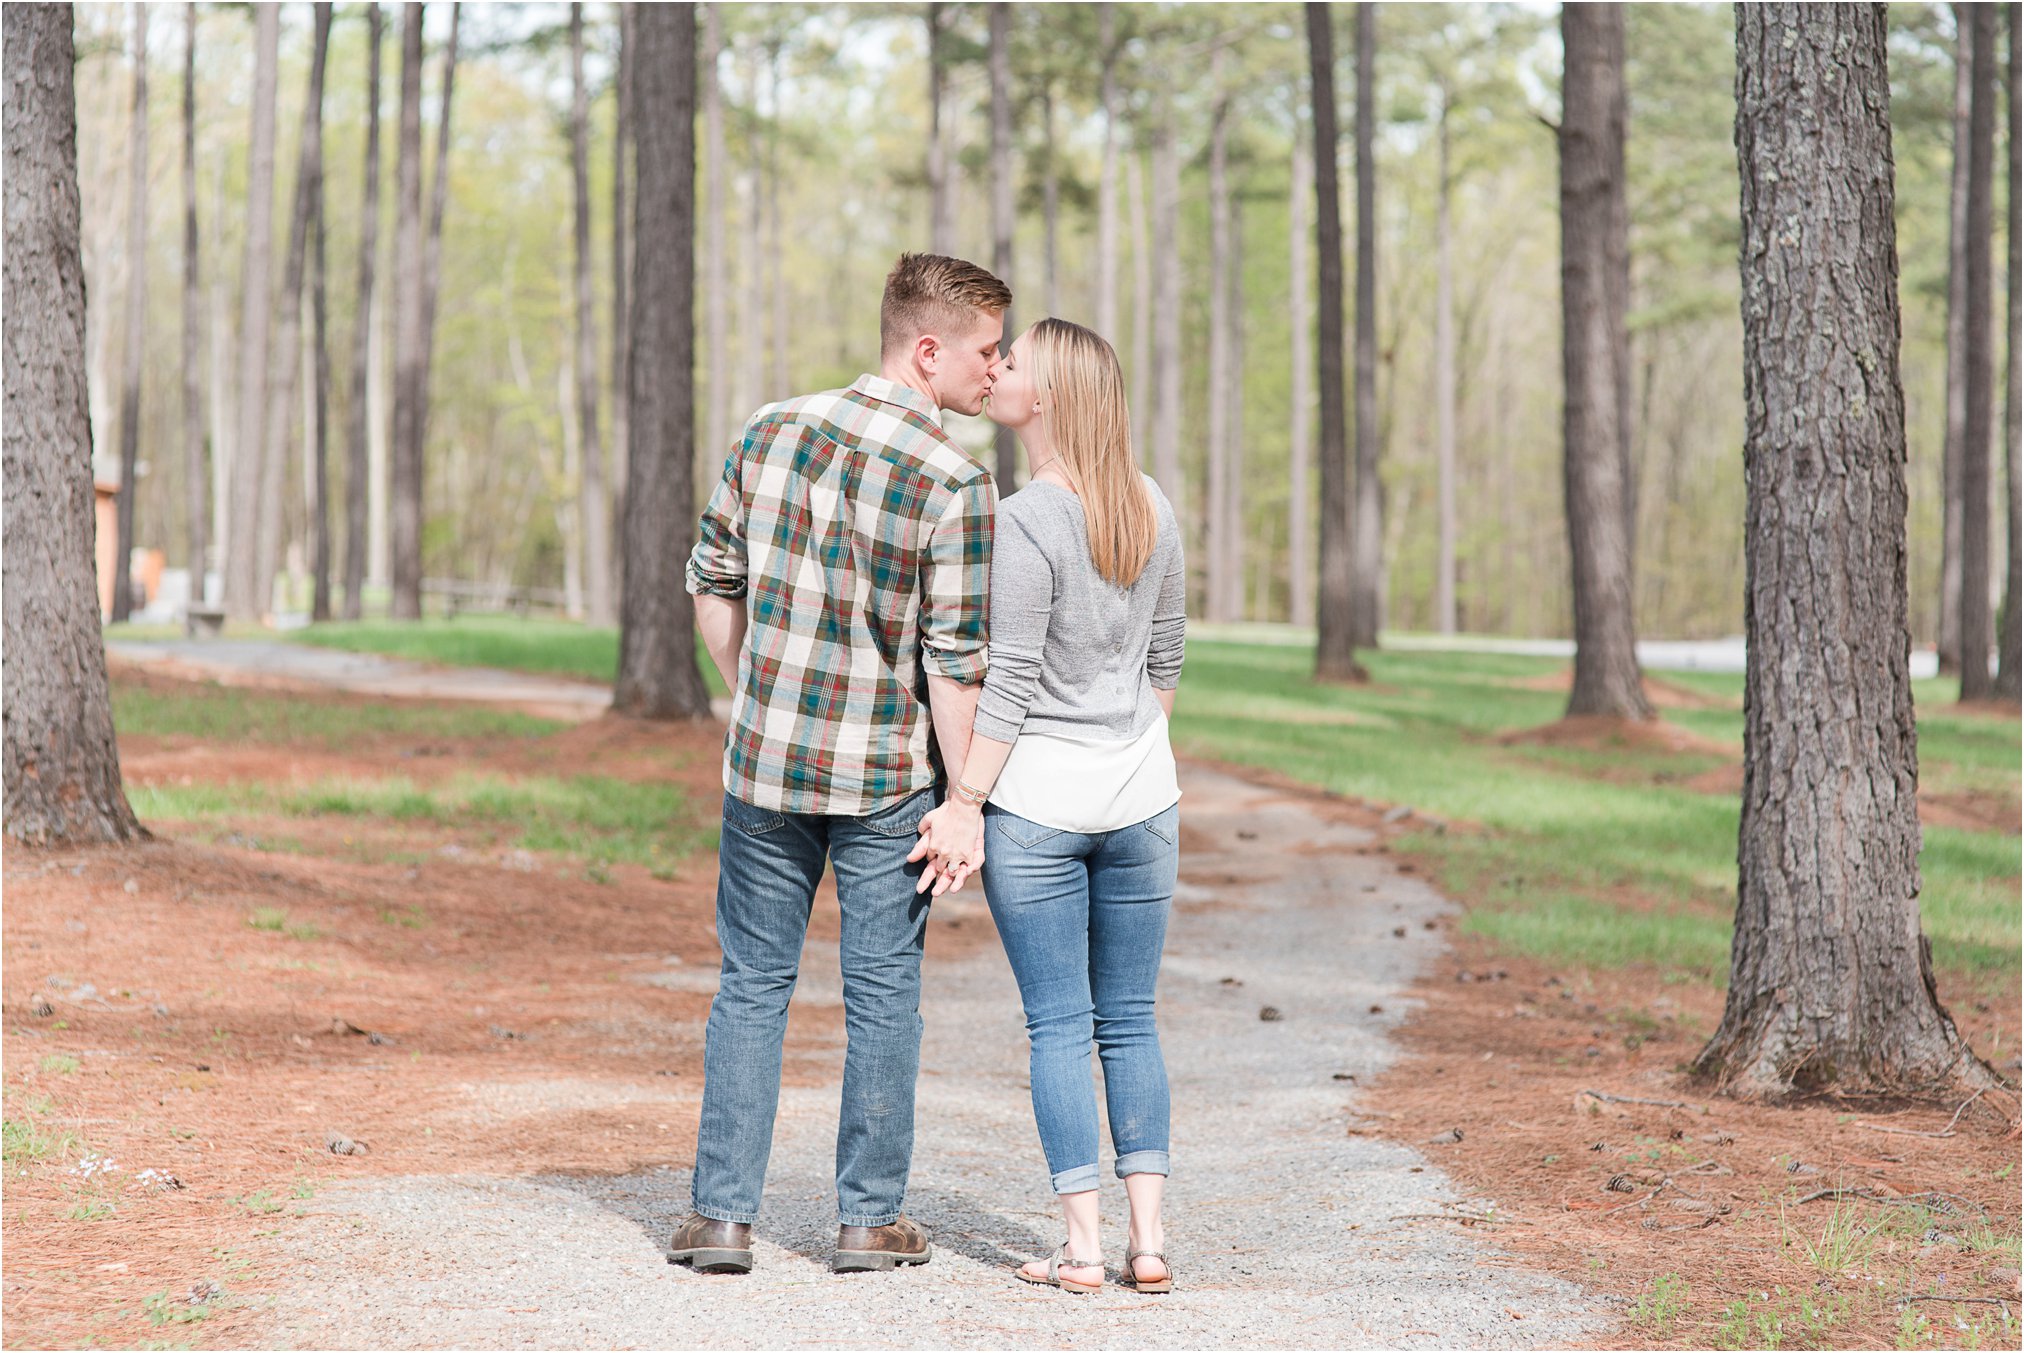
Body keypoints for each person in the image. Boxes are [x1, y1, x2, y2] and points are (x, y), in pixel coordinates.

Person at [670, 252, 1010, 1276]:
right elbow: (955, 667)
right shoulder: (954, 481)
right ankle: (868, 1222)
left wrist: (749, 700)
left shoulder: (768, 428)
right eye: (985, 353)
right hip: (884, 783)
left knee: (750, 987)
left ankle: (720, 1218)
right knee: (880, 995)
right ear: (925, 351)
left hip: (763, 769)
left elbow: (710, 582)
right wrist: (967, 802)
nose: (995, 373)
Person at [911, 318, 1187, 1295]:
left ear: (1052, 397)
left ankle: (1079, 1250)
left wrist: (964, 800)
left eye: (1014, 363)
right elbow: (1165, 665)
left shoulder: (1026, 517)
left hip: (1037, 808)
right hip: (1145, 801)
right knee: (1131, 1021)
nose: (998, 373)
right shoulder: (1150, 503)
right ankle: (1147, 1244)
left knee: (1061, 1028)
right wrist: (1125, 748)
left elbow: (1012, 680)